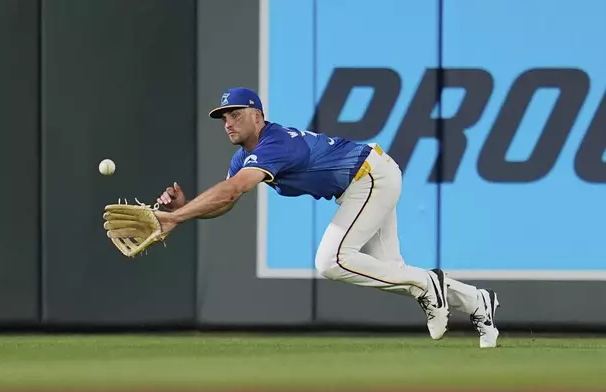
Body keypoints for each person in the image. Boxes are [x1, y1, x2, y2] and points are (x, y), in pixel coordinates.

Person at [152, 87, 500, 348]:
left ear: (257, 116)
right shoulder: (245, 155)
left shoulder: (274, 144)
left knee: (331, 261)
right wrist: (184, 207)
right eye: (224, 117)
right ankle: (476, 301)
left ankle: (429, 283)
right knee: (393, 272)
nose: (228, 122)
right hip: (365, 180)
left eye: (236, 113)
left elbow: (231, 192)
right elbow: (226, 202)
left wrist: (176, 218)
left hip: (370, 177)